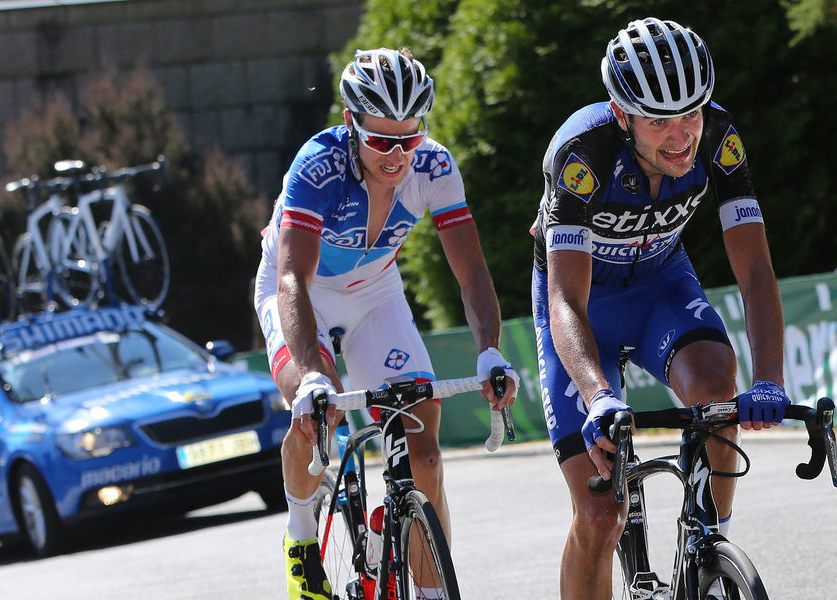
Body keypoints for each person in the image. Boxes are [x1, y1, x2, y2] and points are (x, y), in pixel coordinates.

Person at [530, 17, 789, 599]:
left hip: (660, 287)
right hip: (581, 308)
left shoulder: (720, 137)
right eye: (658, 121)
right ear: (622, 116)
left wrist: (770, 379)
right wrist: (597, 395)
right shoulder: (582, 153)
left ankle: (708, 550)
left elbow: (754, 270)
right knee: (599, 517)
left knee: (717, 386)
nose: (681, 137)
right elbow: (566, 298)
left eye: (690, 114)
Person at [254, 47, 518, 600]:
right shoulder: (317, 166)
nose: (397, 155)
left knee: (424, 452)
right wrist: (311, 376)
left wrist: (489, 351)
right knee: (314, 417)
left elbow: (470, 272)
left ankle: (426, 586)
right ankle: (301, 539)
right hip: (303, 296)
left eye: (410, 137)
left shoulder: (436, 167)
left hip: (376, 295)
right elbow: (292, 282)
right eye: (381, 140)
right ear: (351, 123)